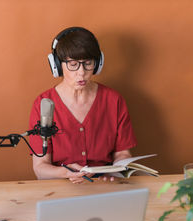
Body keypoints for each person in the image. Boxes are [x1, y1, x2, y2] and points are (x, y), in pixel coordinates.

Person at [29, 27, 137, 184]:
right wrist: (65, 173)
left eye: (88, 63)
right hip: (60, 188)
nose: (81, 72)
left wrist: (117, 169)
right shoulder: (43, 104)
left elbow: (123, 154)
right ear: (57, 65)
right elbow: (40, 169)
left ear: (98, 63)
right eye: (73, 64)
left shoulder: (114, 100)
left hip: (105, 187)